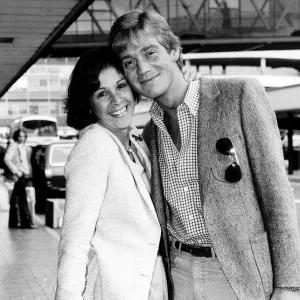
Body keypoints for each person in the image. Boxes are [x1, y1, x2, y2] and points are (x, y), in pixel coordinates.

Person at [108, 8, 300, 300]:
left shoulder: (239, 96)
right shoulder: (149, 134)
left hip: (240, 277)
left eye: (150, 53)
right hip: (179, 273)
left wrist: (288, 287)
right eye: (130, 62)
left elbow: (277, 196)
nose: (142, 69)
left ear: (173, 49)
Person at [54, 46, 198, 300]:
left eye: (121, 86)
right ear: (88, 104)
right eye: (102, 93)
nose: (117, 100)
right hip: (116, 289)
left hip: (153, 283)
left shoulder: (136, 141)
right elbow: (74, 242)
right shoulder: (94, 147)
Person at [4, 129, 37, 229]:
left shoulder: (23, 147)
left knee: (15, 199)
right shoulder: (13, 145)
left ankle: (13, 223)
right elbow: (7, 159)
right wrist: (16, 171)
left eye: (23, 136)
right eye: (20, 136)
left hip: (24, 175)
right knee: (22, 200)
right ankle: (26, 223)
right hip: (19, 175)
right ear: (16, 136)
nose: (22, 138)